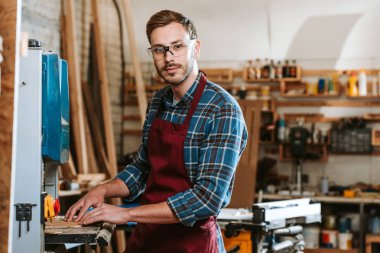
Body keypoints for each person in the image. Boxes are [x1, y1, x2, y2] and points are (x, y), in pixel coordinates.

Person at [65, 9, 248, 253]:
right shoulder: (159, 102)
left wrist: (126, 213)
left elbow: (207, 199)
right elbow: (143, 168)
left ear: (196, 48)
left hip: (191, 244)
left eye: (177, 46)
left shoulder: (222, 109)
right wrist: (102, 190)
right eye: (159, 49)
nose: (169, 57)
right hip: (149, 239)